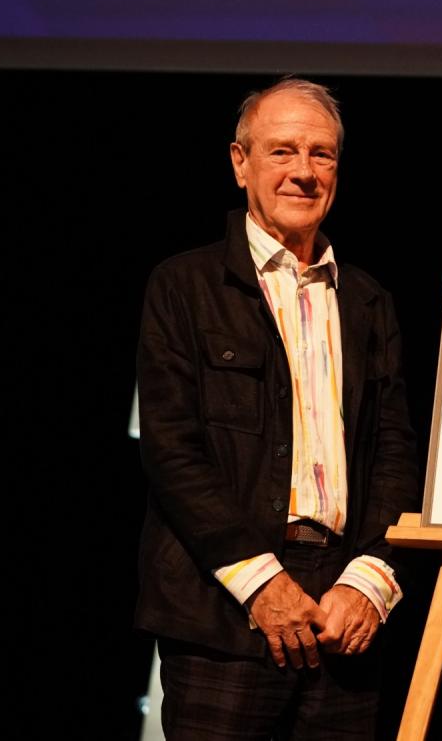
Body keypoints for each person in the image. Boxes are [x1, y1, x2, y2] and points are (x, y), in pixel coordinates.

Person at [135, 78, 419, 739]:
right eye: (283, 151)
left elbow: (395, 453)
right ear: (240, 163)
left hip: (343, 608)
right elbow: (172, 451)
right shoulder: (185, 284)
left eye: (321, 154)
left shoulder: (369, 301)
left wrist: (371, 578)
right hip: (221, 604)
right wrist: (263, 583)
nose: (303, 171)